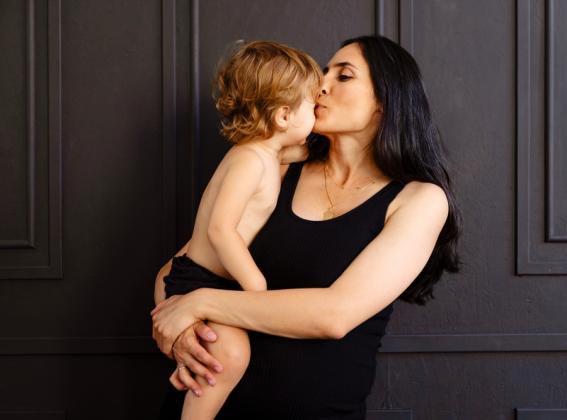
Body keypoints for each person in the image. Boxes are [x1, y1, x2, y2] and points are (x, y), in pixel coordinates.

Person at [152, 34, 462, 419]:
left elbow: (334, 315)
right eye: (323, 72)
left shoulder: (418, 200)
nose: (321, 85)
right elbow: (178, 267)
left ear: (384, 101)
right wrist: (179, 332)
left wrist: (199, 303)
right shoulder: (276, 167)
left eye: (343, 76)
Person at [154, 40, 323, 419]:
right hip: (198, 278)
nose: (318, 112)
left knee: (220, 352)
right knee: (230, 354)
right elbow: (220, 229)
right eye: (313, 106)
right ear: (284, 116)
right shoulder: (250, 160)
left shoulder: (270, 153)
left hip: (217, 282)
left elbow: (305, 150)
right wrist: (255, 286)